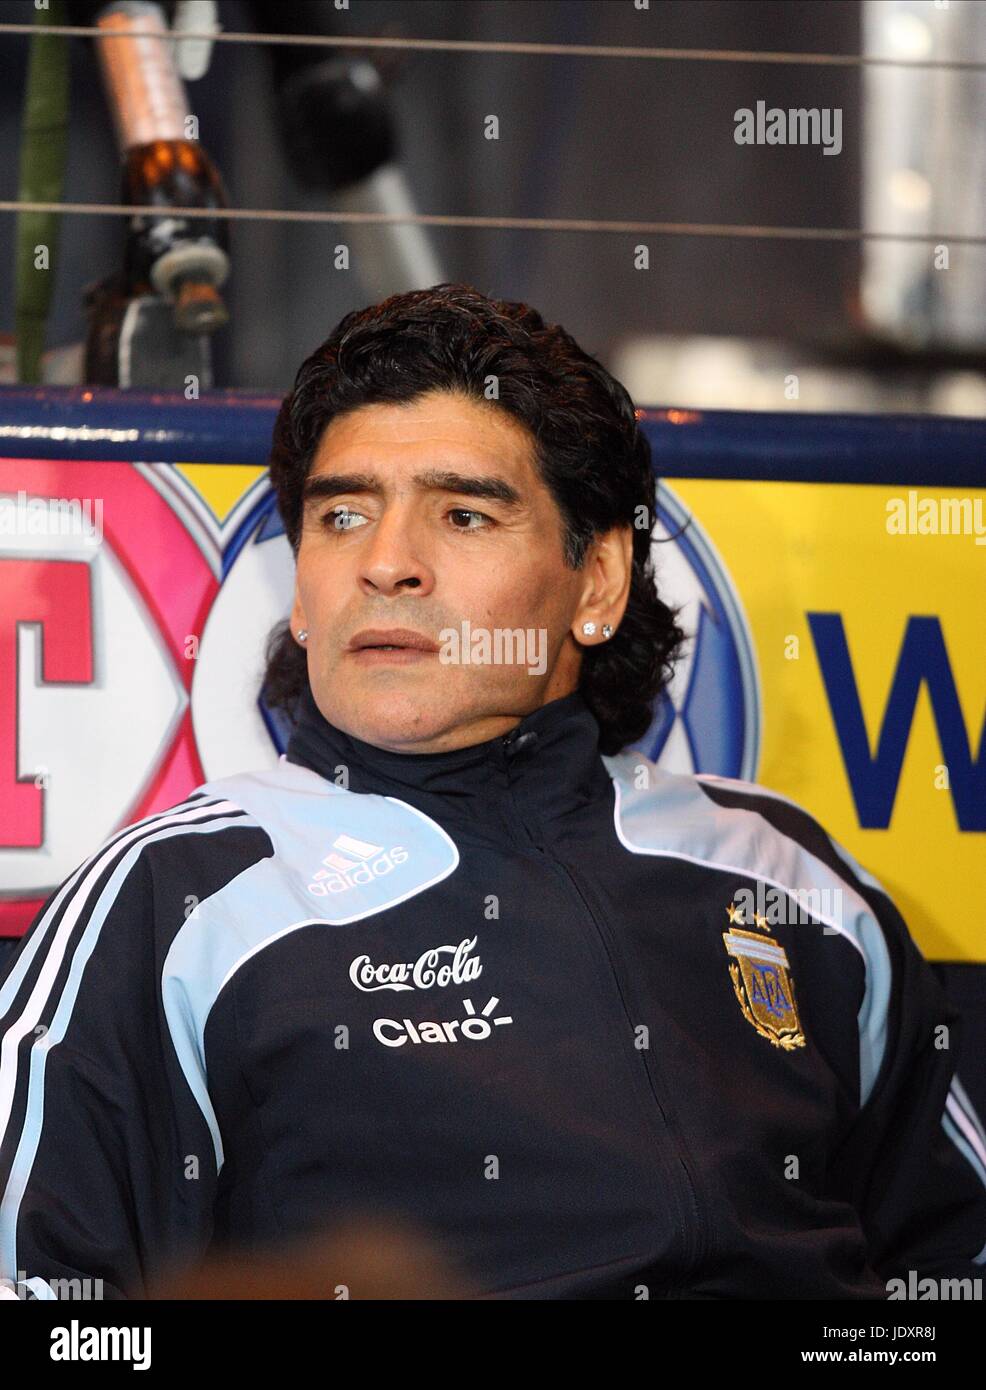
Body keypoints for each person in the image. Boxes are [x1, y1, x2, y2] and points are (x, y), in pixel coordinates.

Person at [1, 283, 984, 1301]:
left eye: (463, 513)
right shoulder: (176, 901)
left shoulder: (782, 871)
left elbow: (951, 1264)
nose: (385, 565)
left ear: (595, 583)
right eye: (341, 515)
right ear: (299, 588)